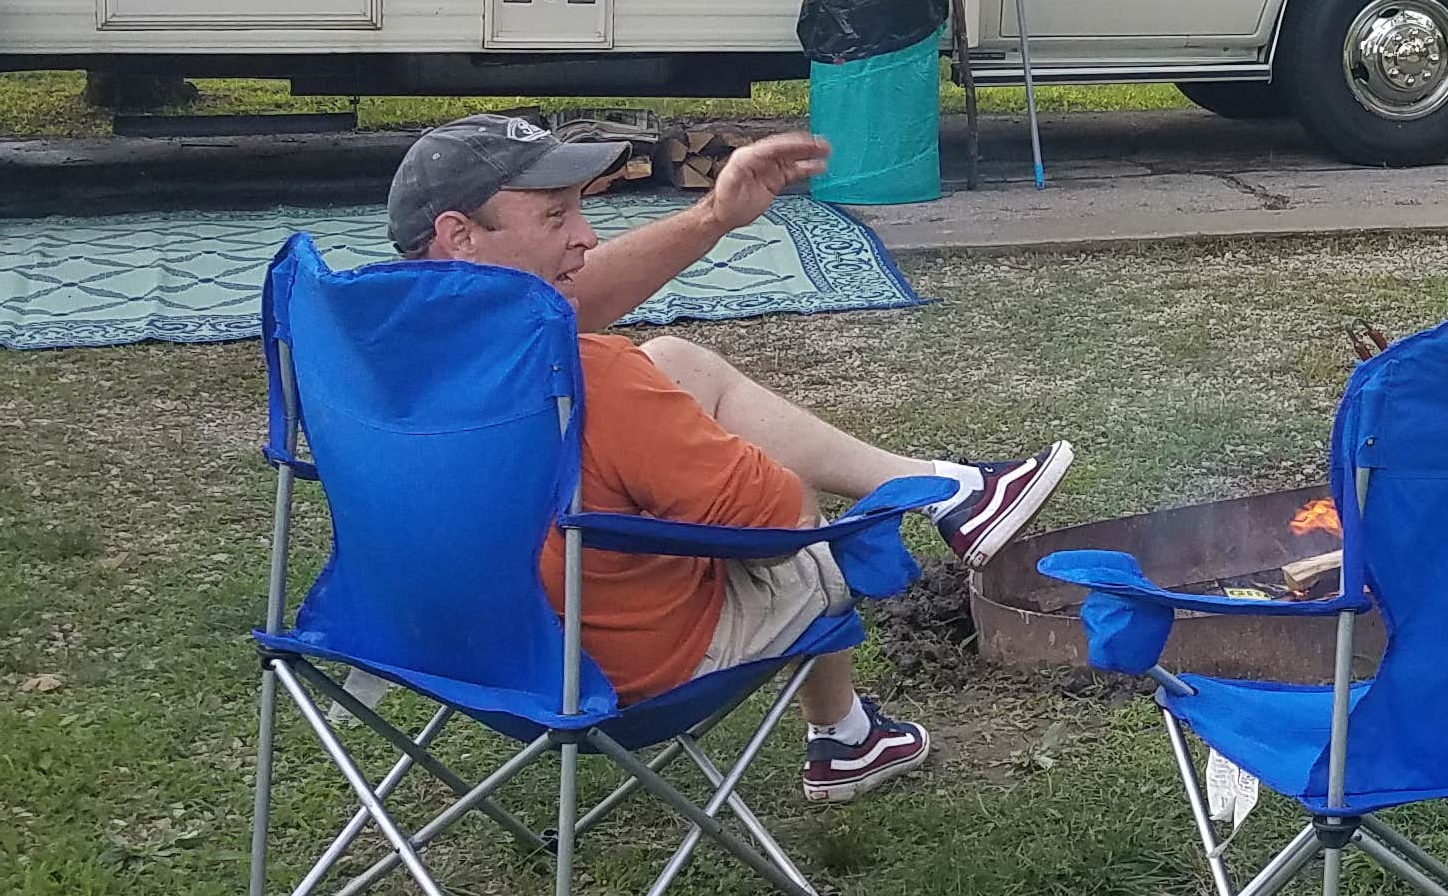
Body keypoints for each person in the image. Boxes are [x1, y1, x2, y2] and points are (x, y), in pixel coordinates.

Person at [387, 113, 1074, 803]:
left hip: (458, 649)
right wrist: (706, 465)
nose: (587, 236)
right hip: (616, 669)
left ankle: (952, 491)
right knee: (795, 526)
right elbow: (779, 525)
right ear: (459, 234)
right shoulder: (584, 375)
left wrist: (716, 216)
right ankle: (845, 733)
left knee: (677, 361)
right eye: (555, 215)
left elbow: (578, 297)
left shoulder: (370, 357)